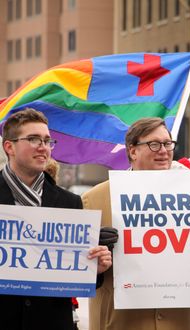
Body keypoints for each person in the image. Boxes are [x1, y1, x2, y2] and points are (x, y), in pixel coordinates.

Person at [82, 117, 190, 330]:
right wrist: (92, 256)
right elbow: (76, 273)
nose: (163, 150)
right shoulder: (94, 199)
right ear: (132, 151)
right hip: (121, 323)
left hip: (181, 322)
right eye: (154, 144)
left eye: (167, 143)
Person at [0, 108, 112, 330]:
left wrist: (95, 268)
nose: (43, 146)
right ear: (9, 146)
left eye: (47, 140)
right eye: (33, 139)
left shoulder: (70, 202)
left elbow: (78, 278)